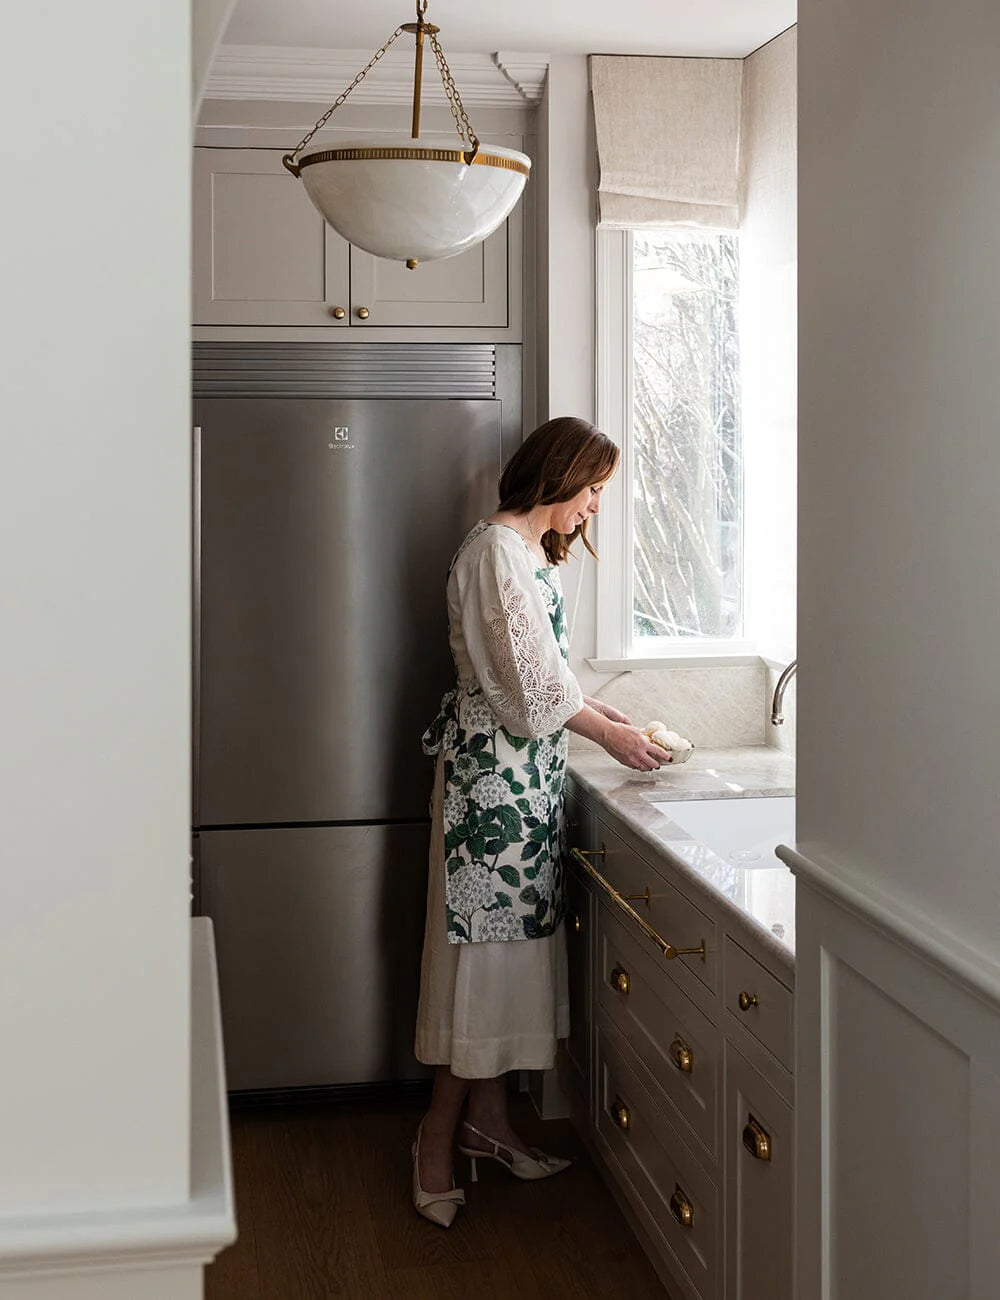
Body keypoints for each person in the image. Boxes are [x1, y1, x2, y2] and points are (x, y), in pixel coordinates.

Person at [412, 415, 667, 1227]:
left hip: (521, 788)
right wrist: (610, 734)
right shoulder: (494, 552)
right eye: (592, 489)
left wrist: (600, 710)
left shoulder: (521, 554)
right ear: (556, 478)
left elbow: (546, 677)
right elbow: (527, 691)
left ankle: (488, 1125)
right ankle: (433, 1139)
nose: (595, 507)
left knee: (509, 966)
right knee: (480, 972)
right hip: (491, 795)